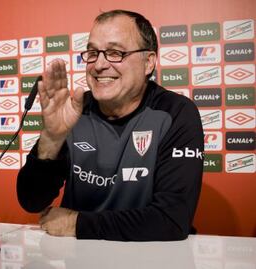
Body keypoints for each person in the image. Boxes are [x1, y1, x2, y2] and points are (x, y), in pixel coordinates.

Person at [17, 9, 204, 241]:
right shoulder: (75, 110)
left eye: (115, 53)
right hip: (79, 259)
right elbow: (32, 200)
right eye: (93, 53)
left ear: (149, 62)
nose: (99, 65)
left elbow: (171, 221)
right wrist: (51, 139)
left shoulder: (175, 113)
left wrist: (78, 223)